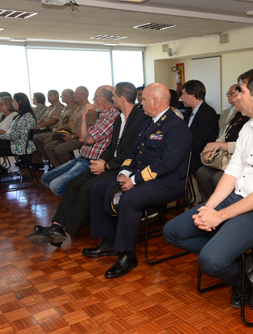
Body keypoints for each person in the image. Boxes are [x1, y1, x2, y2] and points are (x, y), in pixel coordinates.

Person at [163, 67, 253, 310]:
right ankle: (242, 262)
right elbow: (232, 172)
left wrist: (219, 216)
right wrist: (209, 208)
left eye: (241, 91)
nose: (236, 96)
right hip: (236, 198)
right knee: (173, 231)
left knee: (210, 262)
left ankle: (240, 277)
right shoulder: (249, 127)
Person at [82, 82, 191, 278]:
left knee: (129, 200)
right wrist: (124, 172)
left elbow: (167, 164)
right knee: (98, 189)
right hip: (141, 177)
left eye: (144, 99)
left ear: (155, 101)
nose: (141, 103)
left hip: (167, 182)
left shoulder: (176, 127)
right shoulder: (148, 123)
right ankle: (109, 241)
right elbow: (134, 152)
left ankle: (127, 255)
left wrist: (136, 179)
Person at [27, 82, 148, 246]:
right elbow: (112, 147)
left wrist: (105, 166)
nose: (112, 99)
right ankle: (56, 226)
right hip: (110, 162)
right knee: (73, 183)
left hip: (123, 168)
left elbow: (131, 152)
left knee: (86, 188)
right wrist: (102, 161)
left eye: (114, 96)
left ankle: (65, 230)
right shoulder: (120, 118)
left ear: (121, 98)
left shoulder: (140, 119)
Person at [40, 85, 117, 197]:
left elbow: (88, 140)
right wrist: (83, 115)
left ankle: (76, 202)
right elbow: (83, 138)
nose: (93, 99)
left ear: (104, 98)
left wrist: (82, 135)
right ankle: (75, 198)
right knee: (46, 178)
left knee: (56, 186)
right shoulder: (102, 115)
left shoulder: (112, 116)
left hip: (91, 161)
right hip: (82, 157)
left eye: (95, 96)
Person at [196, 86, 249, 202]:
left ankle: (223, 208)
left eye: (238, 98)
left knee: (218, 178)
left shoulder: (252, 120)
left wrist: (219, 146)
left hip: (239, 161)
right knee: (202, 173)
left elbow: (246, 146)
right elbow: (222, 137)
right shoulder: (236, 116)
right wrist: (211, 149)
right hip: (224, 159)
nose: (235, 101)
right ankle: (208, 205)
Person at [44, 86, 94, 168]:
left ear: (82, 95)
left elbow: (89, 128)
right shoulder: (79, 107)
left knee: (59, 150)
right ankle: (59, 168)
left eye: (76, 93)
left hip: (80, 138)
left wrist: (72, 136)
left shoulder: (89, 108)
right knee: (48, 147)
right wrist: (60, 130)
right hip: (71, 135)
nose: (73, 95)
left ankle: (72, 169)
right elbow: (71, 122)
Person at [31, 89, 79, 169]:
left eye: (63, 95)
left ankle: (61, 166)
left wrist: (58, 128)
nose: (61, 97)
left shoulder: (71, 107)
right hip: (56, 130)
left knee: (40, 140)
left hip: (67, 132)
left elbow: (68, 122)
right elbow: (57, 120)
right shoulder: (64, 108)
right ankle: (55, 163)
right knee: (43, 141)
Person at [182, 80, 219, 175]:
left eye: (183, 94)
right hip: (188, 153)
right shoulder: (188, 114)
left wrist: (180, 150)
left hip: (199, 156)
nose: (181, 97)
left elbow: (200, 140)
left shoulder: (208, 113)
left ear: (192, 95)